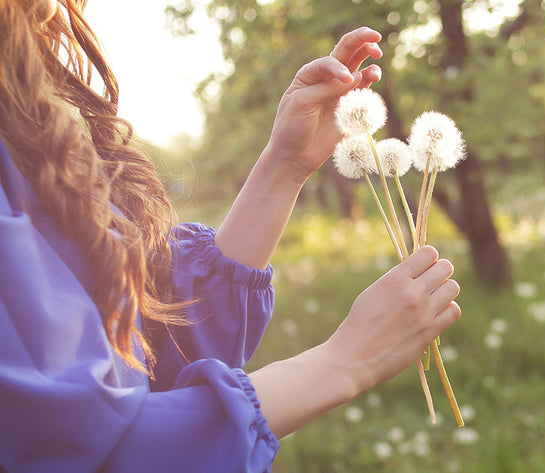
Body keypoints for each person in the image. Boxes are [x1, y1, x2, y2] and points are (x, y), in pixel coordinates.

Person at [0, 1, 462, 471]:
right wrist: (344, 362)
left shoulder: (23, 126)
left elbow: (155, 340)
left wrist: (286, 164)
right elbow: (72, 451)